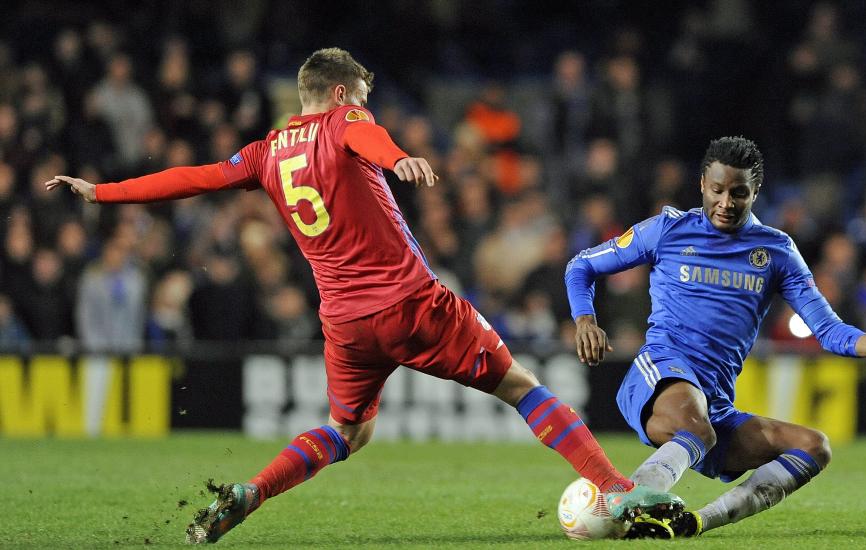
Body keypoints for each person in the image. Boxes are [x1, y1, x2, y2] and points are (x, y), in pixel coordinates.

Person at [46, 47, 681, 544]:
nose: (366, 107)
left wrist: (102, 193)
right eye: (365, 97)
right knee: (521, 386)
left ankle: (252, 492)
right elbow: (365, 138)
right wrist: (399, 156)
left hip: (345, 326)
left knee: (349, 430)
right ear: (343, 93)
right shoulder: (348, 119)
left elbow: (192, 178)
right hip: (411, 304)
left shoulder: (266, 152)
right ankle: (618, 488)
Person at [565, 136, 866, 539]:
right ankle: (627, 502)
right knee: (698, 426)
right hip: (659, 373)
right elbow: (580, 266)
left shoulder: (776, 251)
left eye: (738, 193)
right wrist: (585, 319)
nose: (726, 202)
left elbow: (827, 329)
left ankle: (694, 523)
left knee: (814, 446)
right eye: (718, 190)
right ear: (702, 186)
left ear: (756, 192)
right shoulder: (667, 230)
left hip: (714, 405)